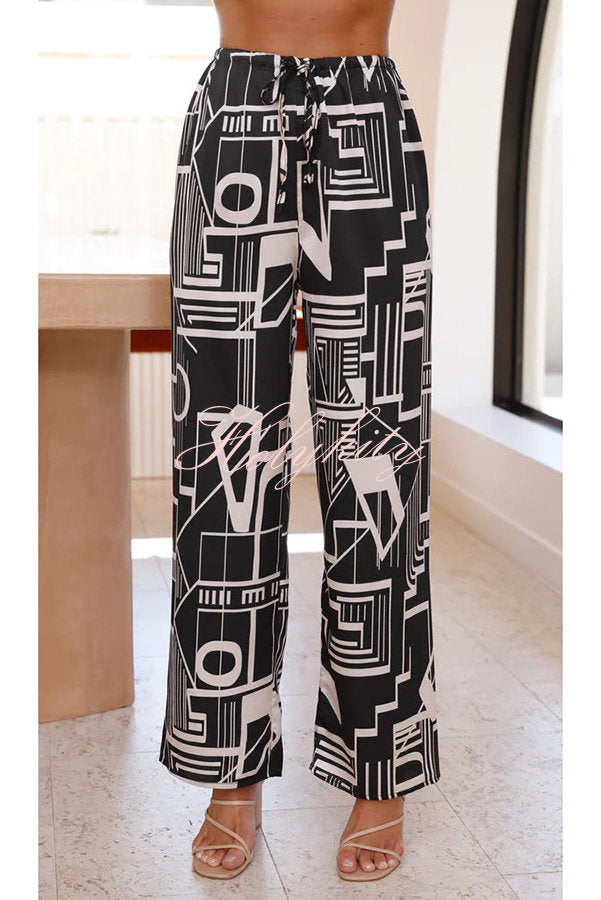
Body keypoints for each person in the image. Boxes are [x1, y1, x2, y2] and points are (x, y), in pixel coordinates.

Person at [158, 0, 441, 882]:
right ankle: (230, 770)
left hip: (367, 107)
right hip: (237, 107)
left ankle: (379, 766)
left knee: (377, 444)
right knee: (223, 445)